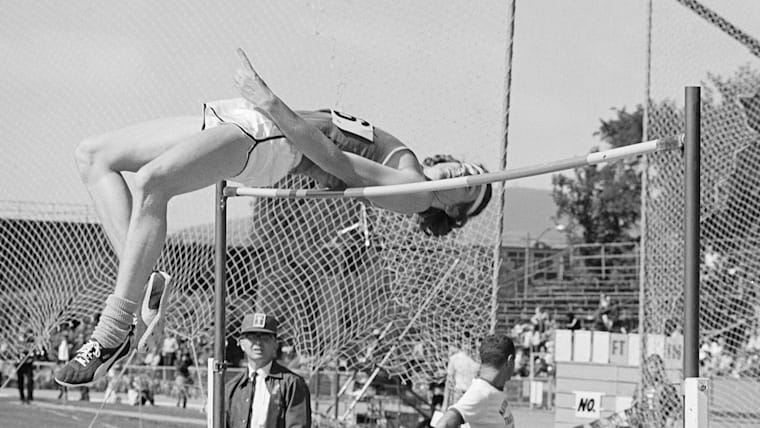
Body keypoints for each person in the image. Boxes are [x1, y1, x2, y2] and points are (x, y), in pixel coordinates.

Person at [55, 48, 492, 387]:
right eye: (471, 168)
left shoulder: (413, 193)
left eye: (470, 186)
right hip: (257, 121)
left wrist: (270, 100)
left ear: (453, 209)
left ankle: (112, 332)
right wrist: (266, 106)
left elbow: (338, 163)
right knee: (93, 156)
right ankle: (146, 280)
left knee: (153, 183)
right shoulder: (408, 163)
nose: (464, 172)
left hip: (273, 141)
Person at [225, 313, 311, 428]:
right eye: (251, 337)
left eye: (265, 338)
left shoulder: (292, 384)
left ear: (275, 344)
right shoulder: (232, 388)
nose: (258, 343)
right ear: (241, 343)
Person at [435, 335, 516, 428]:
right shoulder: (481, 394)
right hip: (459, 393)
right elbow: (444, 424)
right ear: (510, 361)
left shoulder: (493, 389)